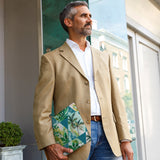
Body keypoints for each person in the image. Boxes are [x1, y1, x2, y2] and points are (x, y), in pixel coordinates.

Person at [33, 1, 134, 160]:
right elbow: (42, 109)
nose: (89, 19)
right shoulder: (51, 60)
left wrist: (125, 138)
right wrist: (48, 144)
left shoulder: (103, 57)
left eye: (90, 16)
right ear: (69, 22)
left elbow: (116, 101)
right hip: (72, 131)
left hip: (108, 134)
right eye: (83, 16)